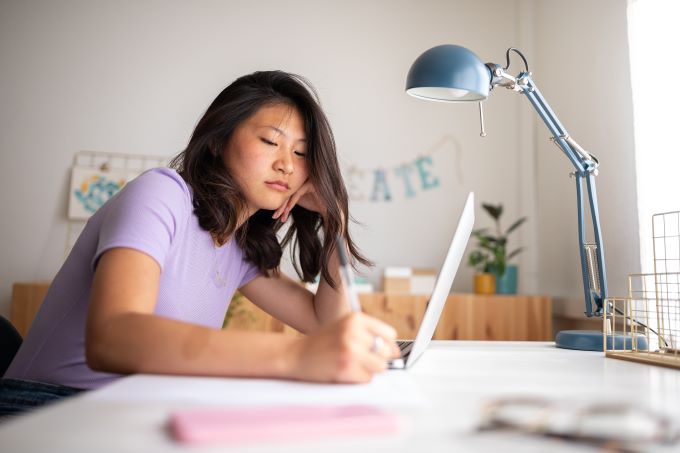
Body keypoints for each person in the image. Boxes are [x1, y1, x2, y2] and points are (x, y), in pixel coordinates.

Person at [1, 71, 400, 417]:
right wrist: (294, 357)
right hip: (46, 408)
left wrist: (335, 222)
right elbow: (112, 337)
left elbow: (324, 325)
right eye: (269, 141)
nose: (288, 165)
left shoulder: (238, 247)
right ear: (216, 140)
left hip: (132, 410)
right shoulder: (161, 194)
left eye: (301, 152)